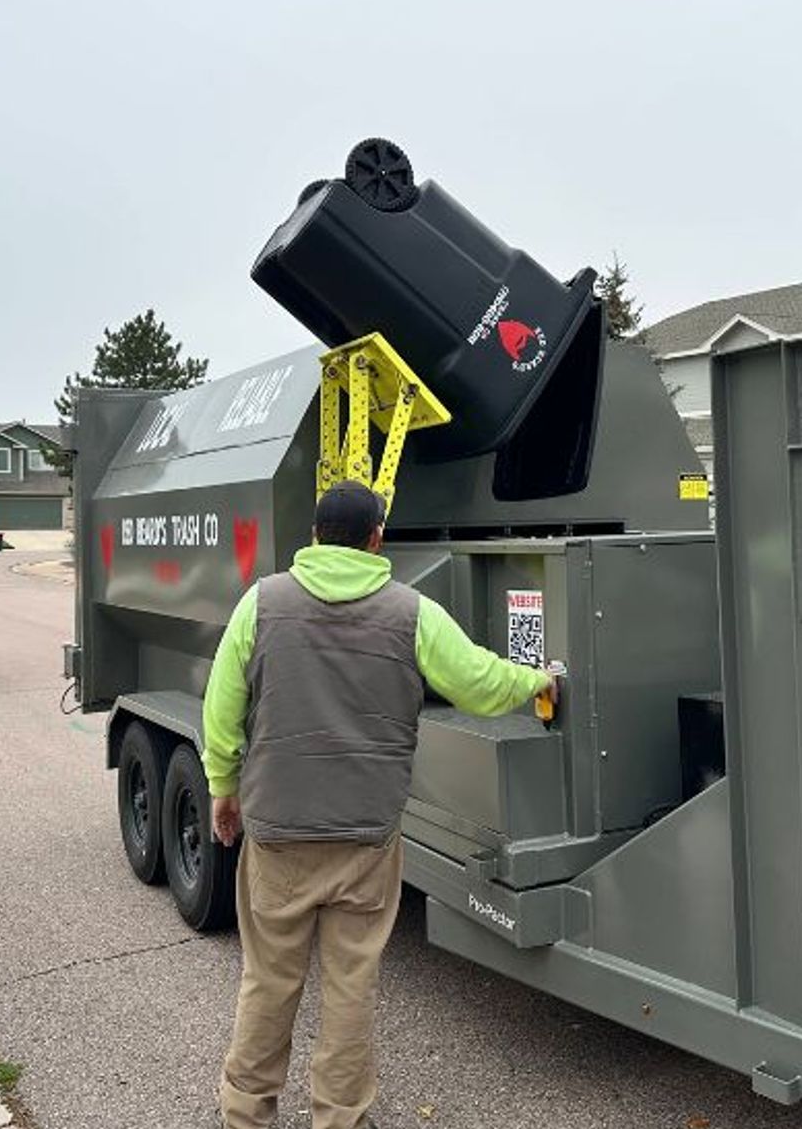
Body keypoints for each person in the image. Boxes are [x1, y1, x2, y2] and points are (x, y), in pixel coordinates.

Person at [204, 480, 559, 1129]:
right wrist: (540, 680)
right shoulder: (411, 612)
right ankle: (340, 1116)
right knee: (350, 987)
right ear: (377, 539)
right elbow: (478, 683)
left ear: (312, 537)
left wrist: (222, 790)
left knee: (268, 983)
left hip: (279, 832)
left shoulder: (261, 605)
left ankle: (245, 1113)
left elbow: (221, 712)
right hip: (366, 837)